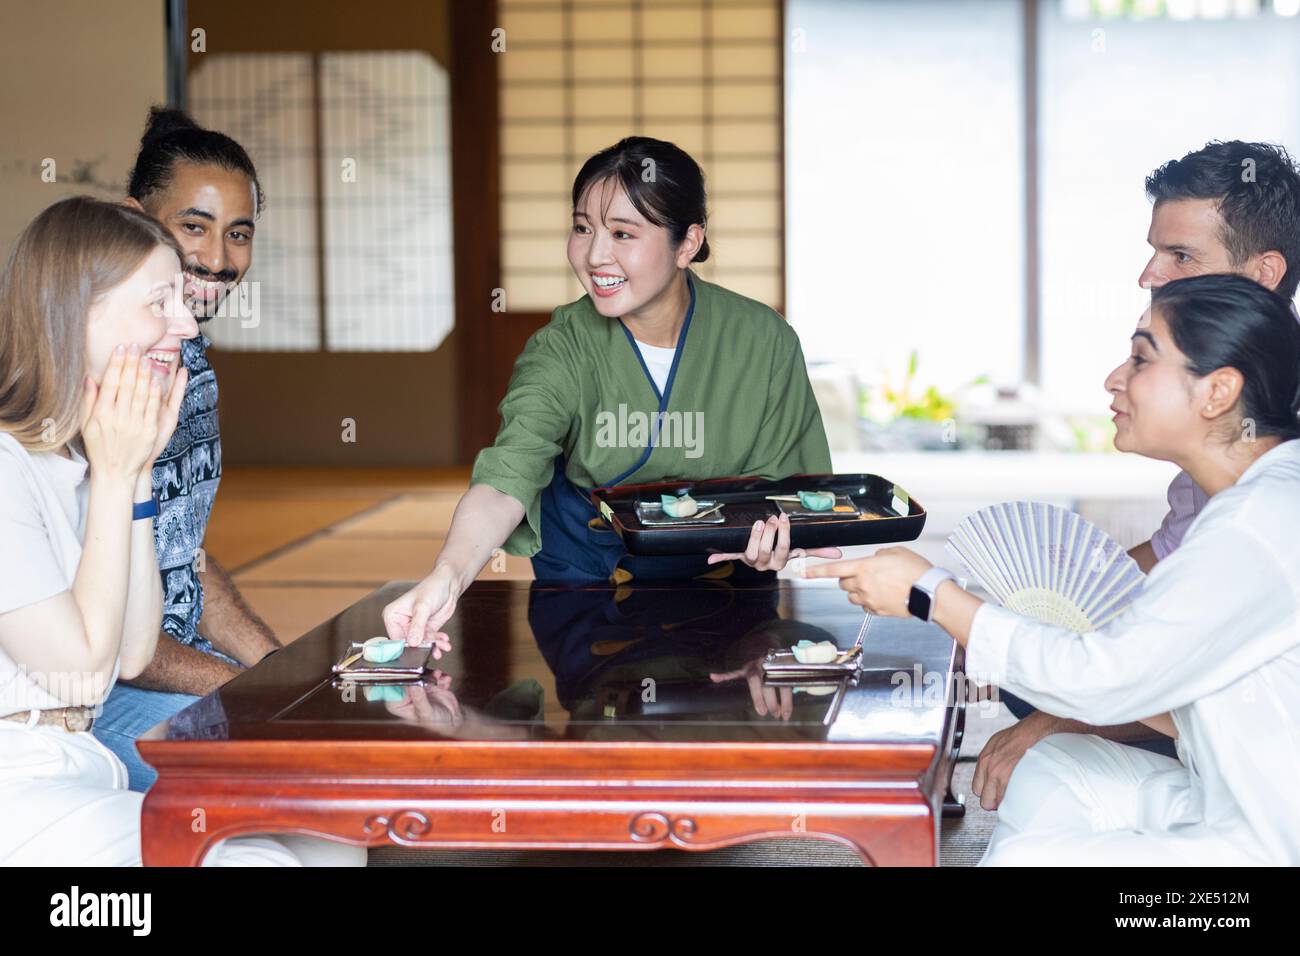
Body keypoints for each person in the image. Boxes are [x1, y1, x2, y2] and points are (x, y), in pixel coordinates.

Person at [809, 274, 1300, 865]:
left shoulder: (1255, 524)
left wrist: (931, 594)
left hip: (1269, 835)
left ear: (1217, 392)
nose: (1114, 379)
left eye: (1142, 358)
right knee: (1054, 768)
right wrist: (988, 620)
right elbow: (1167, 686)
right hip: (1224, 790)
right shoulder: (1260, 496)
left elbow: (1106, 681)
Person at [0, 197, 363, 865]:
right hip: (19, 785)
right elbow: (80, 677)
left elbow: (133, 653)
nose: (186, 328)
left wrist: (132, 472)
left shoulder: (79, 463)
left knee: (329, 839)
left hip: (75, 767)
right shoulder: (6, 467)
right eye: (159, 303)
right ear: (77, 311)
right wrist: (117, 475)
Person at [383, 137, 835, 647]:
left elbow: (793, 491)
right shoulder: (561, 349)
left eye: (623, 233)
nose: (595, 254)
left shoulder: (763, 338)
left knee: (727, 717)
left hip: (728, 584)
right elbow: (506, 478)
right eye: (582, 228)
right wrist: (449, 572)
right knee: (600, 722)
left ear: (687, 243)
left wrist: (778, 534)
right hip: (588, 585)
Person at [976, 140, 1300, 812]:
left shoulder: (1264, 460)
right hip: (1212, 684)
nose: (1151, 274)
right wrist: (1037, 613)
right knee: (1033, 662)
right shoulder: (1219, 402)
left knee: (1043, 687)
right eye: (1156, 250)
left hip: (1270, 755)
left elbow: (1222, 659)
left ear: (1265, 273)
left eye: (1181, 256)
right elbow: (1170, 558)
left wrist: (1062, 712)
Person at [92, 107, 282, 792]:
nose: (218, 259)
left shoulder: (190, 359)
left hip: (176, 667)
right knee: (281, 772)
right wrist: (247, 692)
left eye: (239, 234)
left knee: (317, 730)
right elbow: (112, 636)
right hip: (91, 696)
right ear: (132, 220)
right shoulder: (90, 375)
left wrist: (281, 669)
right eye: (192, 226)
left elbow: (183, 555)